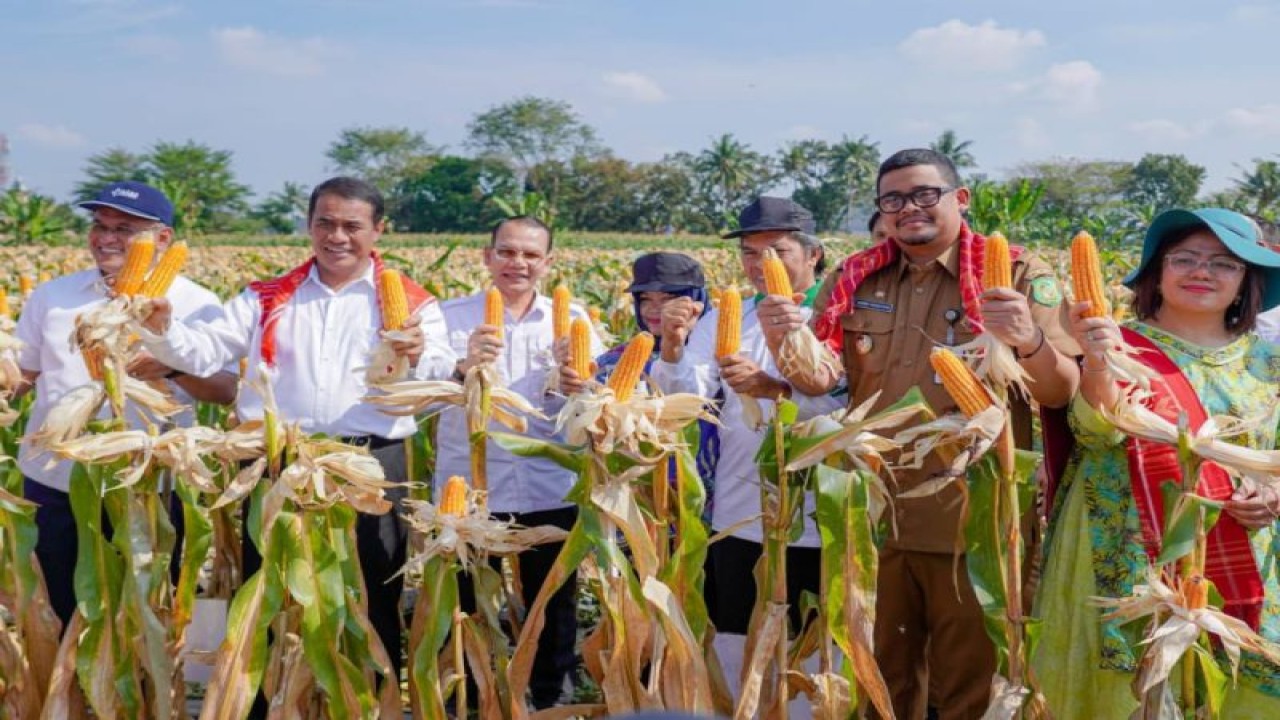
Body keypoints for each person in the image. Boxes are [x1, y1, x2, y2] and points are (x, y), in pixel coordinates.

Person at [759, 149, 1079, 719]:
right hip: (873, 513)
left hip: (974, 520)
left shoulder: (1020, 276)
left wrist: (1028, 340)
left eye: (924, 194)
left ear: (961, 199)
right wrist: (783, 337)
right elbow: (821, 379)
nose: (909, 208)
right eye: (893, 199)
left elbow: (1060, 393)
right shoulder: (855, 277)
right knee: (880, 683)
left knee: (969, 689)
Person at [138, 176, 455, 678]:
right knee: (269, 585)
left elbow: (439, 371)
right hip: (278, 459)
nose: (337, 236)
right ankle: (268, 697)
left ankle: (369, 699)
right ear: (309, 226)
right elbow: (203, 352)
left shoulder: (414, 304)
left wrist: (417, 354)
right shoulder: (263, 298)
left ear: (379, 230)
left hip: (371, 461)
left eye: (352, 226)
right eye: (325, 223)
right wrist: (161, 329)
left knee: (372, 589)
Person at [1035, 208, 1280, 717]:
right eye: (1184, 258)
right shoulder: (1118, 344)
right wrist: (1098, 360)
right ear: (1157, 272)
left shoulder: (1268, 362)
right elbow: (1095, 431)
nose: (1202, 271)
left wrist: (1272, 493)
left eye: (1224, 263)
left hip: (1241, 554)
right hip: (1124, 554)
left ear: (1247, 281)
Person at [15, 180, 238, 628]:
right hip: (54, 480)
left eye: (124, 229)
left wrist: (171, 368)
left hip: (149, 486)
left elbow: (225, 389)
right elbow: (23, 375)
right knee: (54, 611)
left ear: (163, 239)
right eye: (100, 225)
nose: (107, 238)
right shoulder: (53, 297)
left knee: (144, 618)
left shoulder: (198, 303)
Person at [649, 197, 843, 711]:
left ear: (813, 255)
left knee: (809, 645)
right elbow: (686, 397)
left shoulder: (836, 315)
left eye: (776, 251)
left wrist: (775, 390)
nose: (760, 265)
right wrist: (673, 346)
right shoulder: (725, 318)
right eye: (751, 253)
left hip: (815, 511)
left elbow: (849, 406)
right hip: (739, 509)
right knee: (735, 636)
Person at [436, 215, 604, 709]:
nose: (518, 263)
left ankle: (552, 702)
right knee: (467, 603)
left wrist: (581, 383)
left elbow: (598, 402)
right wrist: (463, 367)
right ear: (487, 257)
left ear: (548, 263)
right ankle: (472, 700)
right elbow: (417, 393)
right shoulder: (447, 318)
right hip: (470, 487)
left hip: (548, 481)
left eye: (531, 255)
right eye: (507, 252)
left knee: (552, 601)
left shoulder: (574, 320)